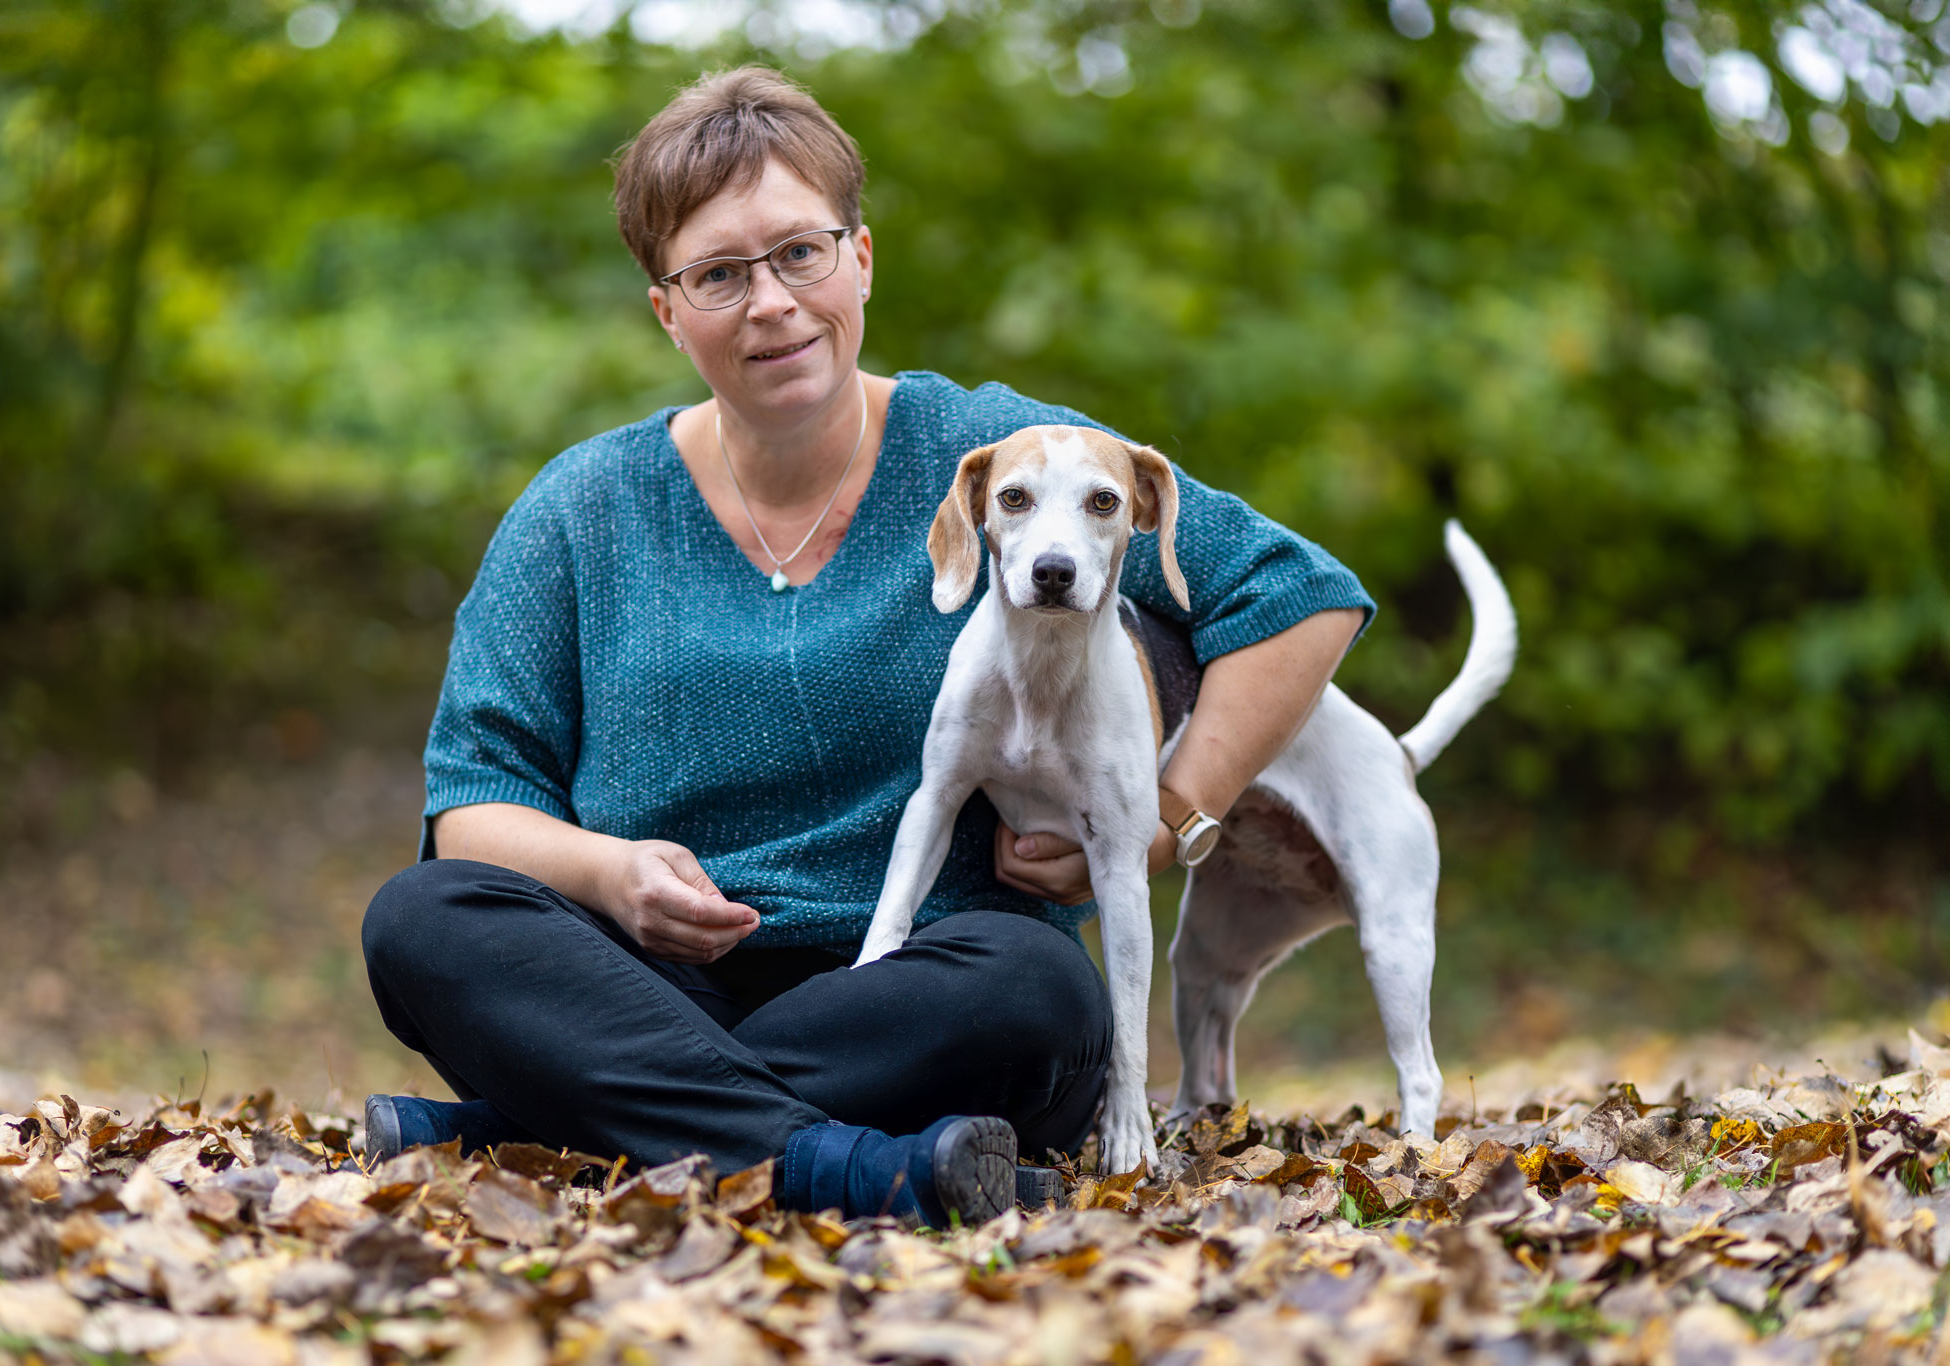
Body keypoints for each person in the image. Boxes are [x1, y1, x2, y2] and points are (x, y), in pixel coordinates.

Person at [359, 65, 1372, 1228]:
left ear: (861, 259)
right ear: (666, 311)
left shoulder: (1004, 457)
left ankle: (548, 1128)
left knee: (1038, 989)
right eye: (718, 275)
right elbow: (470, 805)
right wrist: (605, 874)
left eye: (801, 253)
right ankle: (841, 1165)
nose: (772, 301)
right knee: (419, 918)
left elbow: (1300, 595)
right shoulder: (581, 508)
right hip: (638, 984)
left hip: (920, 991)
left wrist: (1172, 810)